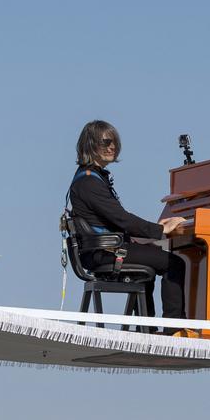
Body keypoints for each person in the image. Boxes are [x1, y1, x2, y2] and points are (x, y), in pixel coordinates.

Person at [67, 120, 188, 330]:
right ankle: (174, 330)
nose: (112, 146)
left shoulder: (92, 178)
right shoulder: (89, 182)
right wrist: (160, 230)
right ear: (90, 144)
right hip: (104, 252)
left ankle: (146, 328)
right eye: (106, 141)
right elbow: (122, 218)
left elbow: (116, 221)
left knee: (151, 256)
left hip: (105, 249)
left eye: (114, 142)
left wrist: (151, 231)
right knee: (174, 263)